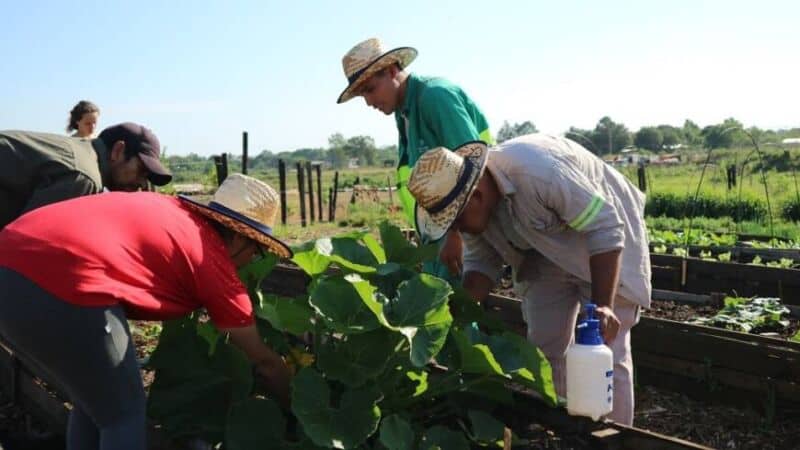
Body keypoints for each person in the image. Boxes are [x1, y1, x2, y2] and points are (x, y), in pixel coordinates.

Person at [0, 173, 295, 450]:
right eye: (258, 250)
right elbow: (264, 363)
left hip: (9, 261)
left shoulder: (171, 210)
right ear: (241, 238)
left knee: (95, 403)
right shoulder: (212, 261)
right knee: (124, 414)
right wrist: (294, 409)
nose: (255, 259)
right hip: (67, 279)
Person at [406, 134, 651, 425]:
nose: (456, 231)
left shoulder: (538, 173)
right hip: (540, 255)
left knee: (605, 351)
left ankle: (617, 438)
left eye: (456, 222)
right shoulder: (474, 213)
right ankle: (565, 430)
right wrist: (448, 317)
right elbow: (481, 265)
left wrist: (604, 306)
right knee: (544, 349)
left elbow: (606, 228)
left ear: (477, 196)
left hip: (602, 247)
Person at [336, 37, 493, 281]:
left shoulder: (435, 96)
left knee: (457, 306)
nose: (368, 102)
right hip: (438, 231)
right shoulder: (404, 111)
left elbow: (472, 167)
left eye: (369, 89)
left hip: (466, 228)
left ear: (391, 71)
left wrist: (455, 234)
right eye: (361, 96)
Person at [0, 122, 173, 229]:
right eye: (142, 170)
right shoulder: (83, 176)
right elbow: (23, 238)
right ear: (118, 151)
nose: (142, 183)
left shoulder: (81, 152)